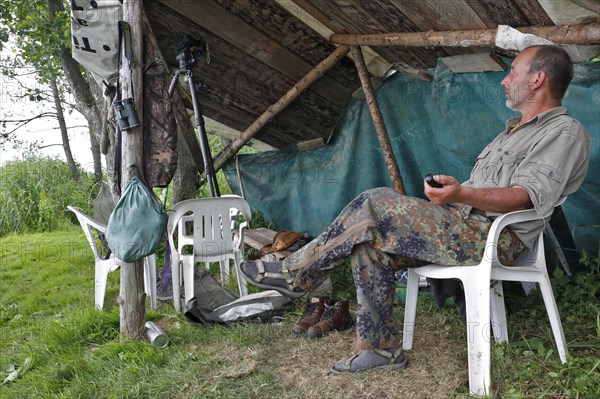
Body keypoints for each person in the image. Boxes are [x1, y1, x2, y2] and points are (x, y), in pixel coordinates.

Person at [238, 45, 591, 374]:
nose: (505, 79)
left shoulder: (564, 133)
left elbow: (524, 196)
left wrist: (462, 194)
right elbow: (486, 191)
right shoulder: (510, 133)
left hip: (495, 239)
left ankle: (293, 272)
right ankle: (380, 349)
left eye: (513, 71)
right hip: (463, 226)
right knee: (368, 246)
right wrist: (455, 192)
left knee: (374, 201)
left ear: (538, 79)